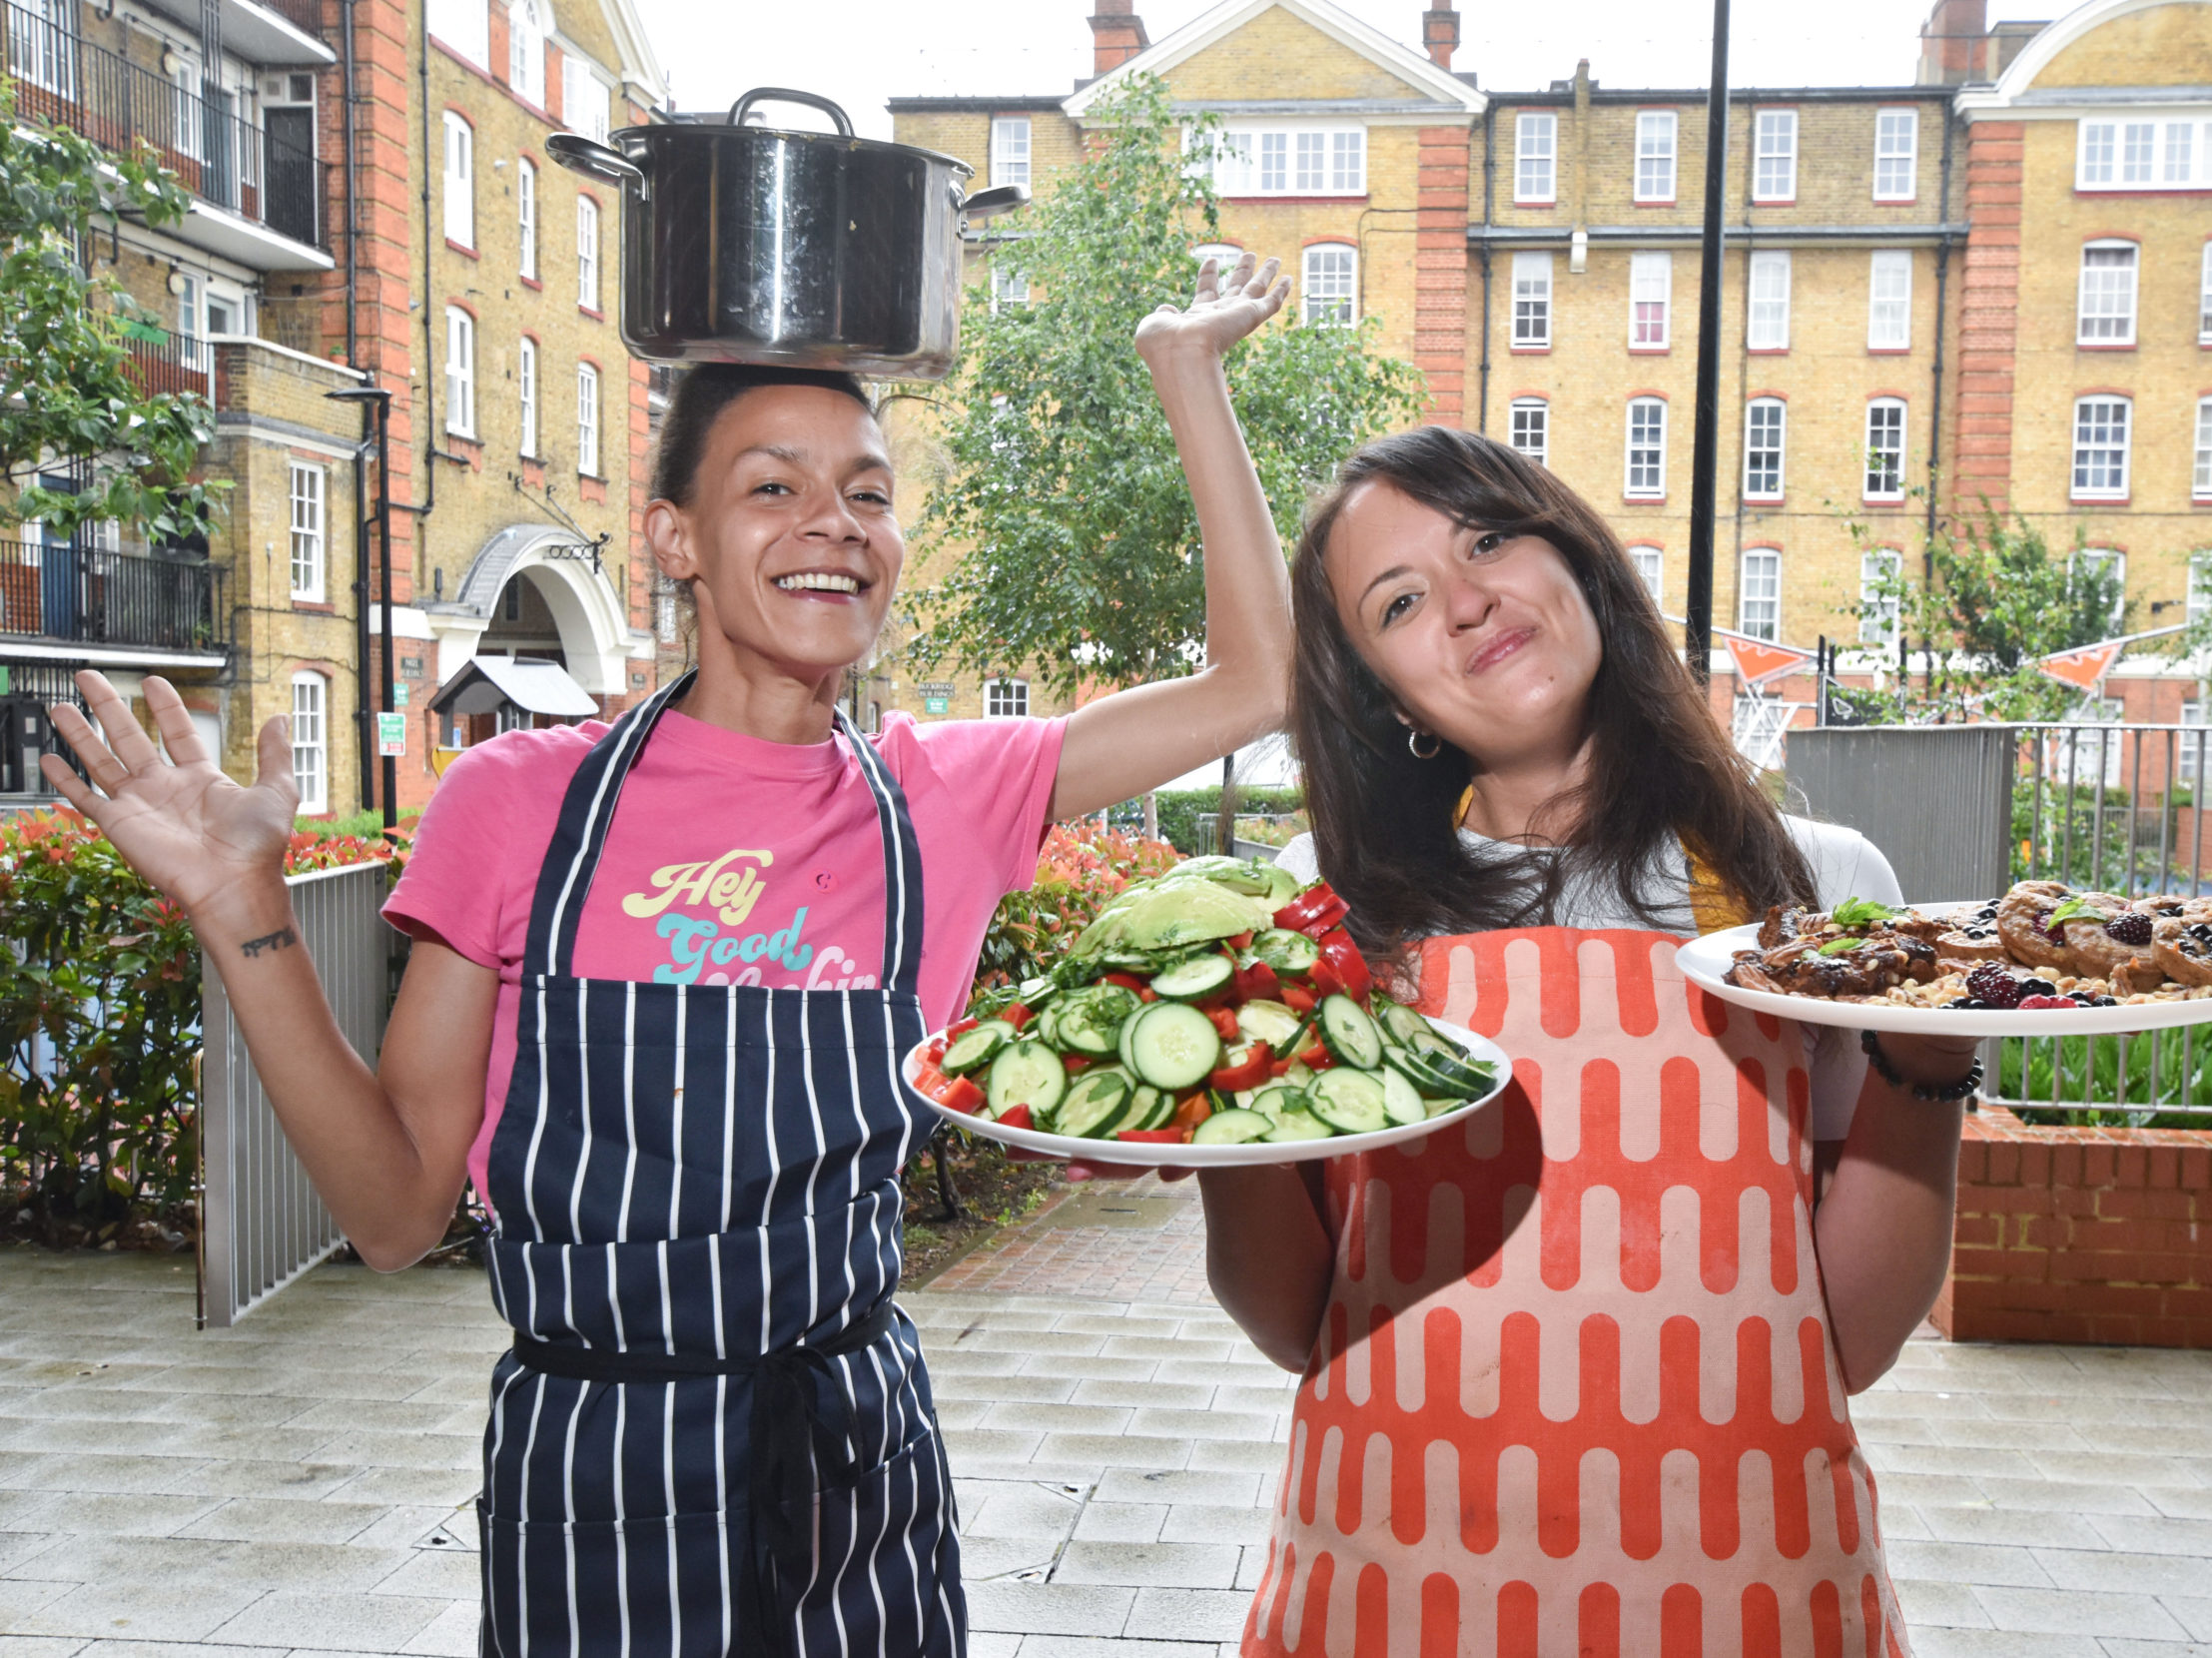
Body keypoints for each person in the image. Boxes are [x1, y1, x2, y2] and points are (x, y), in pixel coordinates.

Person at [40, 255, 1300, 1658]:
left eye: (868, 492)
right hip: (593, 1478)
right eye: (774, 486)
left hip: (853, 1472)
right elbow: (395, 1214)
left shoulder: (948, 796)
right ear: (674, 537)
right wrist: (240, 909)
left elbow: (1258, 682)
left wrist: (1184, 370)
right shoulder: (519, 800)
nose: (835, 522)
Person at [1197, 427, 1974, 1657]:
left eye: (1489, 540)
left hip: (1745, 1592)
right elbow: (1294, 1316)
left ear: (1578, 562)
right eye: (1398, 602)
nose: (1465, 605)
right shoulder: (1320, 909)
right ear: (1383, 693)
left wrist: (1930, 1060)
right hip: (1394, 1584)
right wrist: (1213, 1114)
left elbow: (1852, 1344)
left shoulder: (1812, 889)